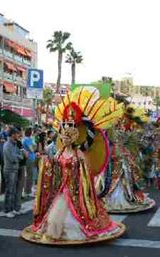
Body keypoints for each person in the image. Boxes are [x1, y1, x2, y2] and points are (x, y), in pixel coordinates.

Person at [21, 87, 125, 245]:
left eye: (69, 137)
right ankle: (56, 232)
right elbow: (54, 168)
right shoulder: (59, 153)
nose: (66, 140)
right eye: (64, 137)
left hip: (76, 192)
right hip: (61, 189)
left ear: (74, 138)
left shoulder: (79, 154)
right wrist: (45, 162)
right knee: (54, 217)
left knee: (73, 218)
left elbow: (84, 175)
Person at [0, 127, 27, 218]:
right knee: (9, 190)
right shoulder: (7, 145)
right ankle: (7, 210)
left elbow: (21, 155)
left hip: (14, 169)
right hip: (9, 169)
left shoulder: (14, 144)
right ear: (12, 134)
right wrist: (19, 157)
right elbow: (13, 158)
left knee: (13, 190)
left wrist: (19, 156)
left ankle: (12, 208)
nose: (18, 135)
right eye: (16, 134)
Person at [22, 127, 36, 198]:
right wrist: (34, 147)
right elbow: (32, 149)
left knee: (30, 175)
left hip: (31, 158)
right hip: (29, 159)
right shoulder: (27, 139)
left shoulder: (29, 139)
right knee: (29, 175)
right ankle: (27, 191)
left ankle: (28, 190)